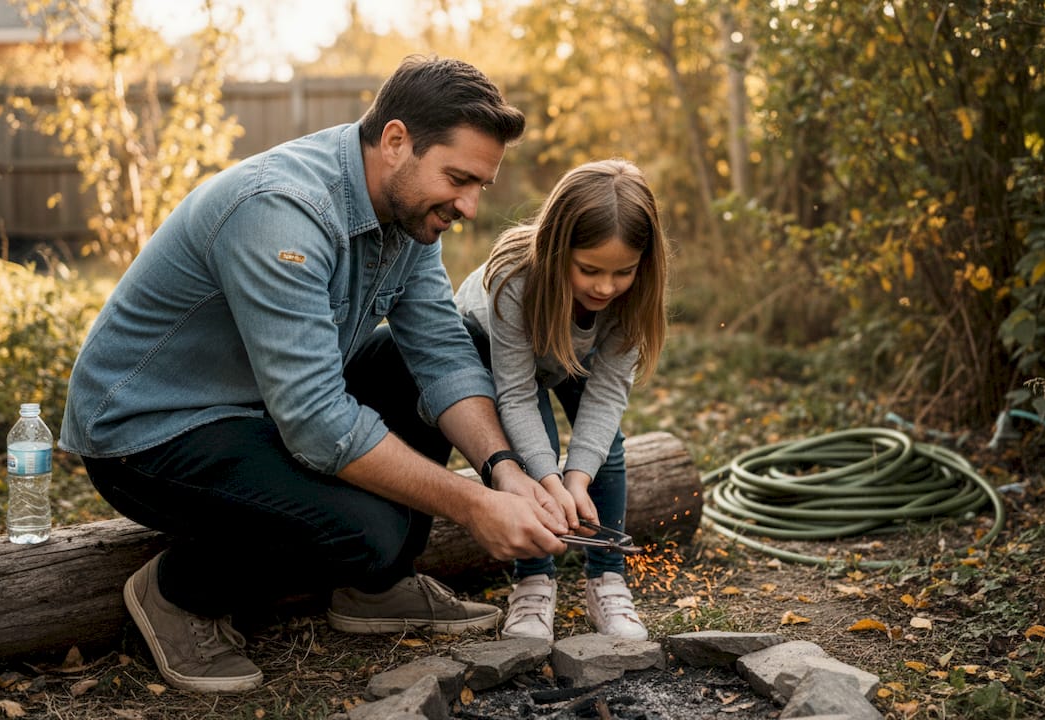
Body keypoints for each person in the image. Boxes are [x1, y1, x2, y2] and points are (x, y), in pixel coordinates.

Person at [57, 55, 572, 694]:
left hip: (261, 412)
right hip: (150, 432)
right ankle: (176, 593)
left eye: (480, 187)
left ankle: (372, 589)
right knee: (368, 530)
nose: (468, 205)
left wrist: (504, 469)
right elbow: (318, 422)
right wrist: (474, 505)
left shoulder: (410, 215)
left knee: (454, 342)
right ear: (395, 141)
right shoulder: (282, 211)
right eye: (458, 179)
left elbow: (440, 353)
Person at [453, 158, 670, 641]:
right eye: (589, 269)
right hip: (498, 350)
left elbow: (608, 392)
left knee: (605, 450)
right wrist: (551, 477)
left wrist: (578, 478)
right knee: (536, 455)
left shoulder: (629, 299)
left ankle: (607, 577)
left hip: (573, 350)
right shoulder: (512, 280)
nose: (605, 287)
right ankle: (532, 581)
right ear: (556, 250)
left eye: (623, 272)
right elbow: (515, 394)